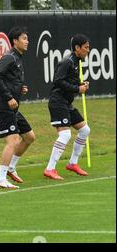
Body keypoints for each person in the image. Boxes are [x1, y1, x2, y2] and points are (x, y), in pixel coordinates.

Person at [0, 26, 35, 189]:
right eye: (24, 38)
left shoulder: (18, 58)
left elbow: (9, 79)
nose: (27, 41)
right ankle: (0, 178)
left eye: (27, 38)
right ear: (15, 41)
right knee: (13, 140)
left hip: (13, 108)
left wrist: (19, 88)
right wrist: (9, 97)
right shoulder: (9, 57)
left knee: (29, 137)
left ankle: (10, 167)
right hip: (4, 106)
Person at [43, 34, 91, 180]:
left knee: (84, 130)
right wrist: (77, 89)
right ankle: (50, 169)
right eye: (86, 48)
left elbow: (69, 83)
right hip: (58, 102)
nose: (88, 51)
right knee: (65, 134)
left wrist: (81, 85)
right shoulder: (67, 62)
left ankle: (72, 163)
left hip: (66, 103)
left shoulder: (76, 62)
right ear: (77, 48)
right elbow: (57, 81)